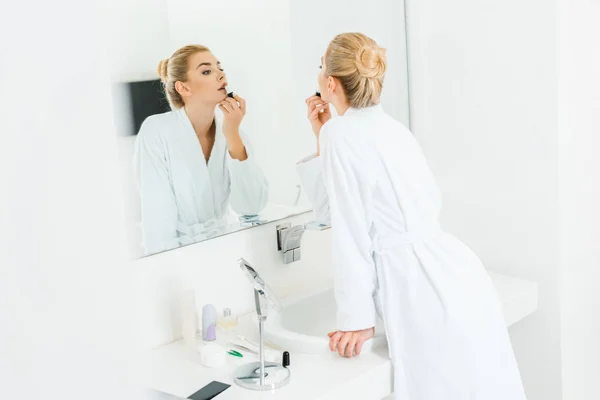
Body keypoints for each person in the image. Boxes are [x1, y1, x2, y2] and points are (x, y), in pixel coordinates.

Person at [296, 33, 527, 399]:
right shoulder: (390, 128)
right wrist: (320, 136)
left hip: (415, 285)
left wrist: (356, 321)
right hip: (456, 274)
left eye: (321, 66)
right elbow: (332, 210)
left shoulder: (342, 133)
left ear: (330, 83)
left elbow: (350, 233)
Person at [133, 45, 269, 256]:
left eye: (219, 68)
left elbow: (252, 206)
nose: (220, 74)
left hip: (227, 251)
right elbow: (157, 220)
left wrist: (232, 133)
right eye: (207, 71)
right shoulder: (156, 131)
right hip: (179, 258)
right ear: (184, 88)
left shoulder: (232, 132)